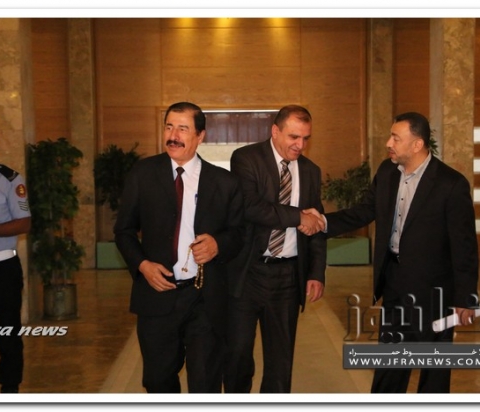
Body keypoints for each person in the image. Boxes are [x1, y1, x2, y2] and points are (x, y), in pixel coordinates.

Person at [304, 112, 479, 393]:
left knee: (434, 370)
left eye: (396, 138)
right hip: (394, 281)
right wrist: (324, 222)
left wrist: (466, 297)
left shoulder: (451, 184)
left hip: (435, 291)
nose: (388, 143)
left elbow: (464, 246)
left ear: (417, 144)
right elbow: (364, 211)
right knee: (390, 362)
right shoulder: (387, 172)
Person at [114, 102, 245, 393]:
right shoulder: (143, 173)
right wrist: (142, 266)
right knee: (158, 381)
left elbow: (239, 234)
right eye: (169, 127)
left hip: (205, 297)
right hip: (157, 293)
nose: (173, 135)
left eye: (183, 129)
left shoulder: (224, 182)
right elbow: (123, 231)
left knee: (205, 382)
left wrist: (218, 244)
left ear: (200, 136)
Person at [223, 105, 326, 393]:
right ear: (275, 131)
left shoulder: (311, 171)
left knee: (281, 362)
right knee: (237, 354)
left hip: (288, 276)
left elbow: (317, 225)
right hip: (248, 273)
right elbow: (252, 207)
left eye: (305, 138)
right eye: (294, 137)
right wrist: (298, 217)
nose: (300, 145)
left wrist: (316, 272)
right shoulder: (246, 158)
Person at [0, 119, 31, 393]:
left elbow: (24, 223)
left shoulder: (9, 180)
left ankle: (9, 395)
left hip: (1, 270)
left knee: (8, 337)